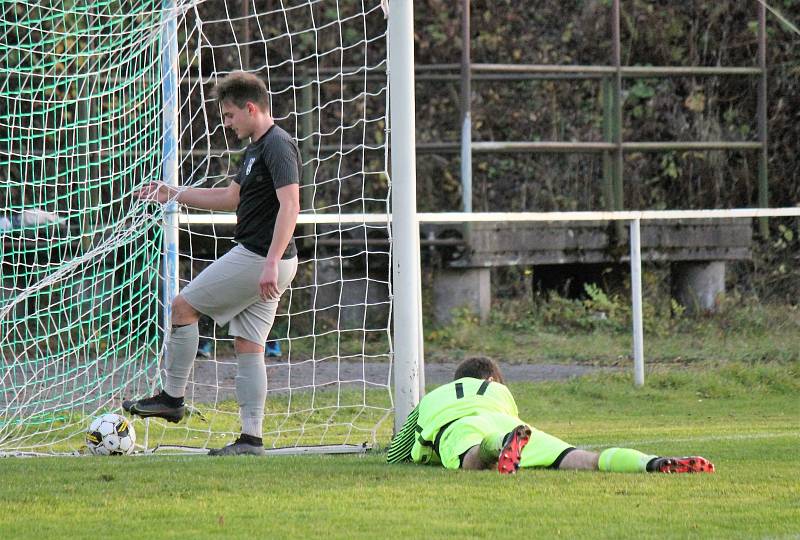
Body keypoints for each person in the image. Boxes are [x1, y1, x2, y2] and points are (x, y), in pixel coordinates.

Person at [123, 71, 301, 456]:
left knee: (182, 307)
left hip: (259, 258)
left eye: (229, 115)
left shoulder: (278, 145)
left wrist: (270, 261)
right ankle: (251, 439)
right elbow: (229, 197)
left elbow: (291, 205)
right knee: (249, 345)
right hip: (269, 260)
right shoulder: (255, 149)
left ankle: (172, 398)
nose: (226, 124)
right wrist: (174, 194)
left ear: (250, 108)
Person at [387, 357, 715, 474]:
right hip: (513, 425)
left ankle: (495, 446)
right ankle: (651, 462)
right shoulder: (500, 392)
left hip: (460, 427)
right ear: (492, 381)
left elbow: (396, 453)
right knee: (582, 458)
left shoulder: (434, 397)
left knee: (472, 457)